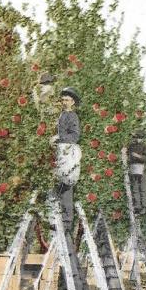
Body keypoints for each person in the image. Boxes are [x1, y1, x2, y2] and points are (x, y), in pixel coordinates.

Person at [53, 87, 82, 230]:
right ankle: (61, 218)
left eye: (67, 100)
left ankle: (67, 221)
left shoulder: (72, 116)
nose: (64, 102)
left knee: (67, 185)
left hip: (68, 152)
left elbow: (75, 136)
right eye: (63, 99)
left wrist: (60, 138)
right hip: (61, 151)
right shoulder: (62, 115)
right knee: (60, 185)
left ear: (73, 102)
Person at [126, 130, 146, 215]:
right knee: (135, 188)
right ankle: (137, 207)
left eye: (139, 138)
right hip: (134, 167)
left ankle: (144, 207)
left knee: (143, 188)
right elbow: (126, 154)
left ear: (142, 138)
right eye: (136, 137)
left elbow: (145, 158)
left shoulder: (145, 147)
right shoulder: (131, 146)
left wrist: (137, 156)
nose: (137, 139)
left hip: (142, 169)